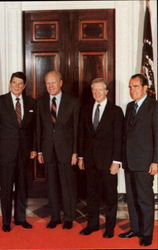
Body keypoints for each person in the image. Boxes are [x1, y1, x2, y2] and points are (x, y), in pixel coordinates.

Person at [78, 78, 124, 238]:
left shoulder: (116, 111)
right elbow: (82, 135)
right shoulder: (85, 109)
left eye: (100, 90)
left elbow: (119, 138)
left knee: (110, 195)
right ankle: (92, 225)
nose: (97, 93)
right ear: (92, 92)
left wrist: (117, 162)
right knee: (91, 195)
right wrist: (81, 157)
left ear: (106, 92)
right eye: (94, 90)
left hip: (109, 162)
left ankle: (110, 227)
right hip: (90, 161)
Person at [118, 74, 158, 246]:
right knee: (132, 198)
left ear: (144, 88)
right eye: (130, 87)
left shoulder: (154, 107)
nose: (132, 90)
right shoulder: (129, 107)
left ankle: (147, 234)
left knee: (145, 199)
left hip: (145, 162)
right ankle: (135, 228)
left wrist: (155, 161)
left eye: (135, 86)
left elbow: (157, 136)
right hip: (129, 161)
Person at [37, 70, 80, 230]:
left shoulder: (73, 102)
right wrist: (39, 151)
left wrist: (76, 152)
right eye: (47, 83)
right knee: (52, 186)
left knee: (67, 185)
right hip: (48, 151)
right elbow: (38, 129)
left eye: (53, 82)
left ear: (60, 83)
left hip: (67, 151)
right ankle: (55, 217)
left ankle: (69, 217)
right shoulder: (41, 102)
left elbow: (76, 129)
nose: (50, 86)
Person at [0, 71, 36, 232]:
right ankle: (6, 221)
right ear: (10, 83)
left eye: (20, 84)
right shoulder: (1, 101)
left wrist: (34, 148)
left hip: (24, 153)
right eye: (14, 83)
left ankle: (21, 219)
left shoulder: (31, 103)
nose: (17, 86)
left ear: (24, 86)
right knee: (6, 187)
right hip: (5, 153)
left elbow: (35, 129)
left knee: (22, 187)